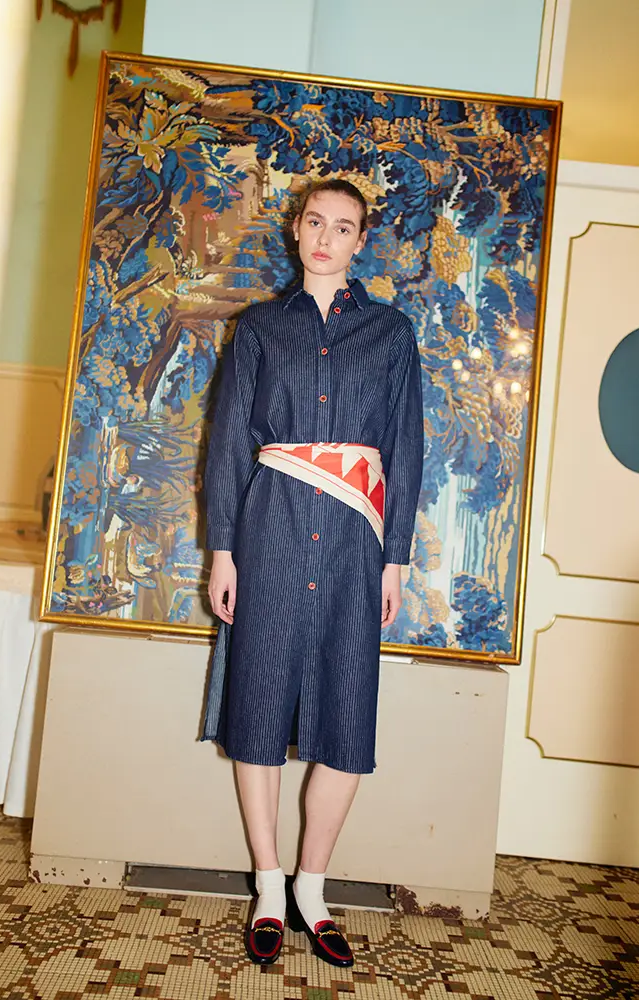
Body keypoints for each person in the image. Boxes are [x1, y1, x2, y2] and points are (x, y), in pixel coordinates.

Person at [203, 178, 424, 968]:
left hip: (355, 546)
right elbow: (228, 442)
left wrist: (394, 560)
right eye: (315, 222)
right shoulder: (260, 329)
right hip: (269, 533)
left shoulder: (390, 333)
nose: (327, 238)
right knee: (259, 706)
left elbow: (405, 450)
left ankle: (311, 888)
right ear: (295, 230)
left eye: (344, 227)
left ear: (360, 240)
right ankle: (268, 886)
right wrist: (223, 551)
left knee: (344, 718)